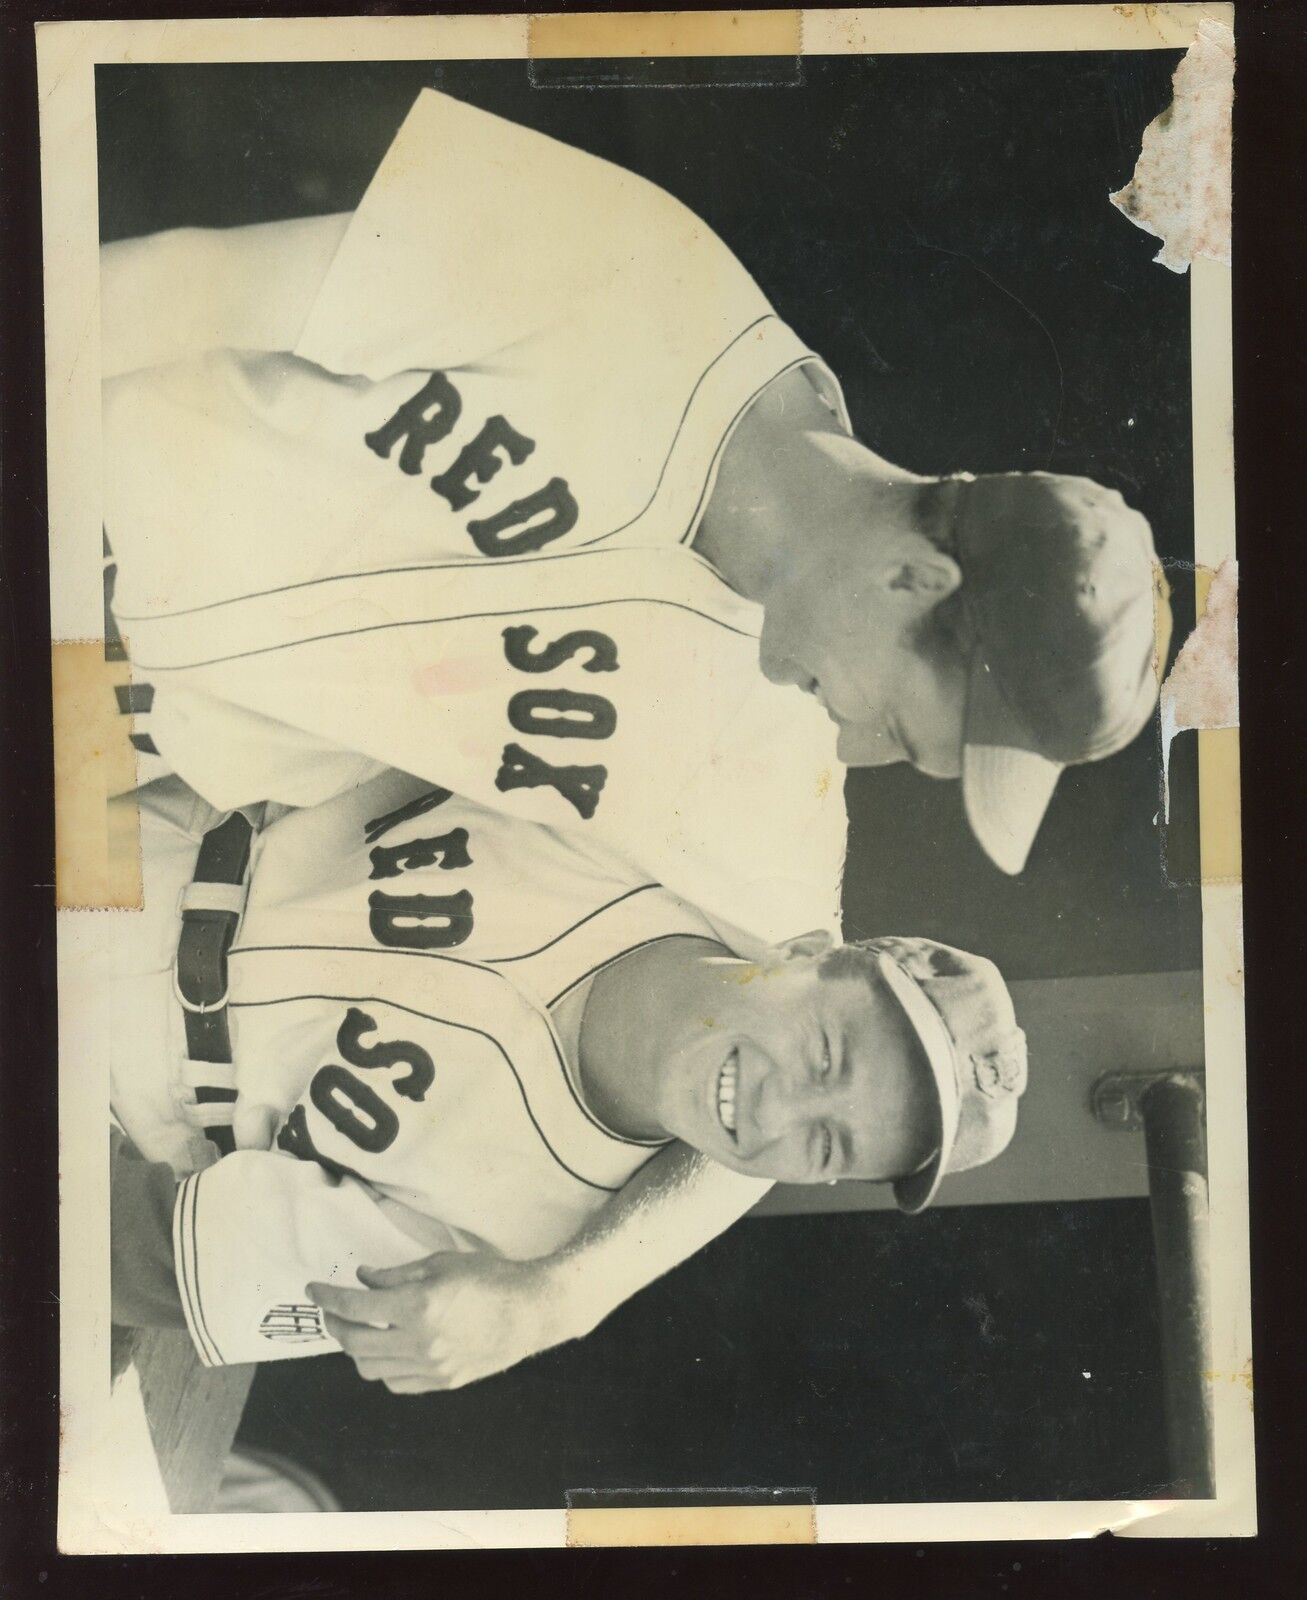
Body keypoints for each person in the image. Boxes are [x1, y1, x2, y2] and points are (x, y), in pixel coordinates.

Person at [100, 87, 1162, 1385]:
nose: (878, 751)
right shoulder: (631, 277)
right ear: (917, 587)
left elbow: (778, 1086)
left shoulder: (766, 765)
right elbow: (169, 283)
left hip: (111, 763)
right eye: (909, 722)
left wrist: (565, 1293)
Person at [110, 769, 1027, 1373]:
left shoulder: (511, 1249)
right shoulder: (658, 824)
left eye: (826, 1144)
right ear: (806, 948)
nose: (775, 1107)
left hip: (101, 1085)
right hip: (127, 826)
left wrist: (561, 1289)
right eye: (825, 1052)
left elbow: (137, 1253)